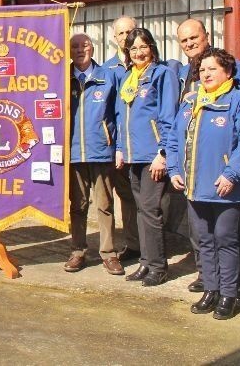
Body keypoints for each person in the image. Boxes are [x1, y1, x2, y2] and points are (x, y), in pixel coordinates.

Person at [167, 47, 240, 320]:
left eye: (212, 68)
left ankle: (229, 294)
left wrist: (231, 174)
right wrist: (173, 169)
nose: (206, 74)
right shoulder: (190, 102)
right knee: (204, 240)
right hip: (194, 186)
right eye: (202, 70)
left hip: (225, 187)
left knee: (225, 240)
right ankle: (211, 289)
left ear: (227, 71)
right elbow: (173, 138)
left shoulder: (239, 100)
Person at [65, 33, 136, 276]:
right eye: (74, 46)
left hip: (102, 151)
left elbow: (119, 115)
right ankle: (77, 251)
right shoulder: (62, 78)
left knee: (105, 205)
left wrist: (119, 148)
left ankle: (108, 253)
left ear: (93, 48)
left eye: (84, 45)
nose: (79, 50)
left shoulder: (108, 76)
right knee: (77, 205)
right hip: (74, 152)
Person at [115, 28, 179, 287]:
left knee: (151, 210)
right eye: (133, 49)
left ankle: (158, 266)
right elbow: (122, 117)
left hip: (153, 155)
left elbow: (169, 115)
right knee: (141, 210)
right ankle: (145, 260)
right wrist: (120, 147)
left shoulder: (163, 74)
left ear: (152, 47)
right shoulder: (129, 78)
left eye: (143, 47)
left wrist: (163, 153)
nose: (139, 53)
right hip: (133, 155)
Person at [102, 15, 141, 262]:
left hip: (143, 143)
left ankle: (149, 246)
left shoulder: (152, 65)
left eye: (130, 32)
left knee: (145, 201)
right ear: (114, 38)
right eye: (121, 34)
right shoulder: (107, 70)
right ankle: (133, 244)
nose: (126, 38)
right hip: (116, 145)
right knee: (125, 196)